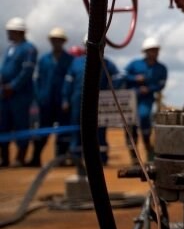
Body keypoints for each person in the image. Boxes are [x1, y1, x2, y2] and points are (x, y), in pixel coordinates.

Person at [62, 37, 120, 165]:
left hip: (101, 102)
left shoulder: (107, 63)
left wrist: (111, 94)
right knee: (77, 128)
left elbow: (117, 79)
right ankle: (76, 158)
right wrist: (65, 99)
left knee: (100, 130)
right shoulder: (76, 63)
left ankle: (101, 158)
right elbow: (68, 83)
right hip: (78, 100)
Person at [31, 27, 74, 166]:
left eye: (59, 40)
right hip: (46, 101)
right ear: (51, 41)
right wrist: (39, 98)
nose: (57, 42)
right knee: (43, 131)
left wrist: (67, 99)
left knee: (63, 133)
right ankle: (35, 158)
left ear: (63, 42)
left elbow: (71, 82)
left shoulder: (70, 60)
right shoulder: (43, 60)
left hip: (63, 102)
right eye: (54, 40)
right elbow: (36, 80)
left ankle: (60, 159)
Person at [0, 17, 38, 167]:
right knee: (3, 125)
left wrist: (13, 87)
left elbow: (26, 72)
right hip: (4, 94)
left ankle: (20, 158)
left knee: (21, 125)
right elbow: (5, 69)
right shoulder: (10, 49)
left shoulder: (29, 48)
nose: (7, 33)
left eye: (10, 31)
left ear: (18, 31)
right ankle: (4, 158)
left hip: (20, 96)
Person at [124, 37, 167, 161]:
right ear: (145, 52)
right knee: (129, 124)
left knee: (144, 117)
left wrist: (149, 89)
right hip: (131, 99)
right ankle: (134, 156)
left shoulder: (161, 68)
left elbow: (161, 84)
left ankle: (148, 148)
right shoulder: (135, 64)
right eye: (151, 50)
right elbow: (123, 75)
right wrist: (135, 78)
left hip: (147, 98)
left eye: (155, 50)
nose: (153, 52)